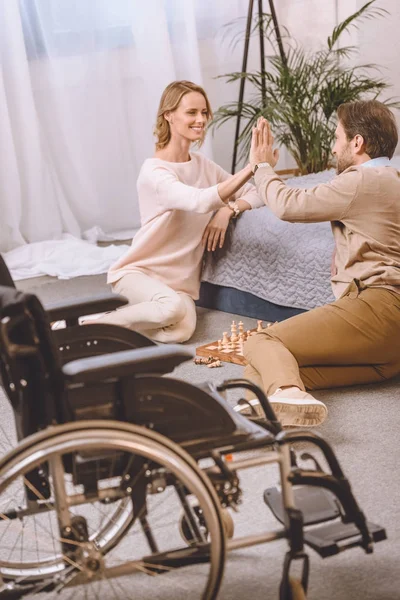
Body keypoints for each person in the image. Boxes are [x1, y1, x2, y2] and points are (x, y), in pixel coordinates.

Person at [243, 100, 400, 427]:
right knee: (271, 366)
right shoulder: (393, 178)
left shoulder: (361, 180)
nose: (332, 148)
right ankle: (267, 406)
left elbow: (289, 205)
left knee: (262, 341)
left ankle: (283, 396)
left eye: (337, 138)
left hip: (379, 308)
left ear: (357, 143)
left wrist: (261, 167)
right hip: (389, 353)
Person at [94, 80, 263, 342]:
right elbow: (199, 201)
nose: (201, 119)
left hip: (180, 284)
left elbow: (256, 193)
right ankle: (86, 329)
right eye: (192, 112)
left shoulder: (203, 166)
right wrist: (252, 166)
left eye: (204, 112)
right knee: (171, 309)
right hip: (140, 273)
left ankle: (128, 322)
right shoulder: (155, 172)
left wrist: (228, 210)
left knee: (181, 332)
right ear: (169, 115)